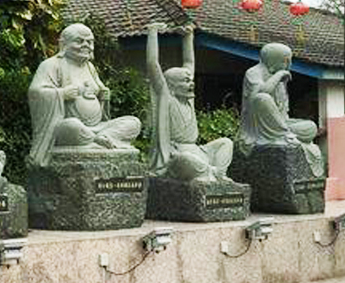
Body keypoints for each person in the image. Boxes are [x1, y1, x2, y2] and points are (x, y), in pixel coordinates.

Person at [28, 23, 141, 167]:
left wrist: (103, 95)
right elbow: (35, 93)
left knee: (134, 123)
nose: (86, 45)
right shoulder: (51, 65)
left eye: (89, 41)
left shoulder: (90, 67)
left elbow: (98, 91)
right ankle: (97, 140)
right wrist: (62, 94)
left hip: (98, 127)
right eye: (79, 41)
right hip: (69, 128)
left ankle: (99, 139)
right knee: (72, 126)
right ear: (64, 44)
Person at [146, 23, 232, 181]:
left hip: (198, 150)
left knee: (226, 143)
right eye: (185, 81)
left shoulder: (188, 100)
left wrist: (188, 36)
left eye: (190, 80)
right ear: (171, 85)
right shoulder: (166, 97)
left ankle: (214, 172)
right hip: (177, 153)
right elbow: (152, 64)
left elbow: (189, 62)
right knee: (184, 160)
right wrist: (153, 32)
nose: (191, 84)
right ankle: (211, 173)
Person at [239, 42, 324, 176]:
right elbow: (262, 92)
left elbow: (282, 113)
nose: (289, 65)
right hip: (257, 127)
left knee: (311, 126)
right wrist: (279, 75)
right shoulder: (253, 73)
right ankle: (284, 135)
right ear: (274, 60)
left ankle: (285, 134)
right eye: (286, 62)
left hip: (279, 124)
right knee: (262, 98)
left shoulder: (279, 79)